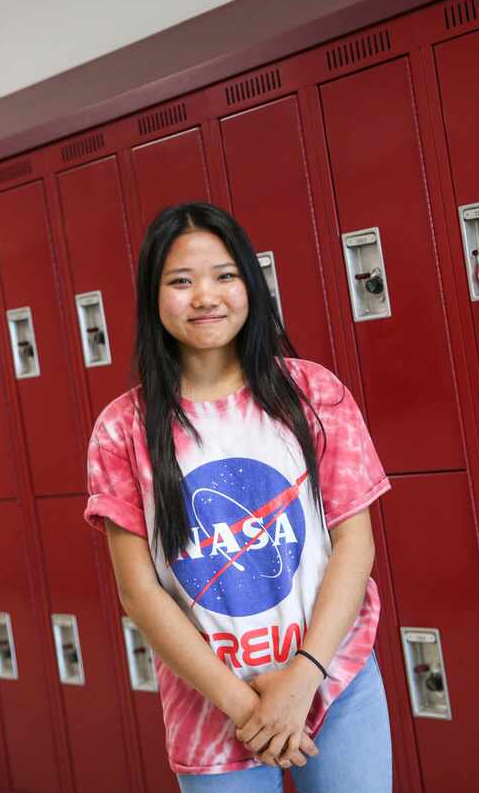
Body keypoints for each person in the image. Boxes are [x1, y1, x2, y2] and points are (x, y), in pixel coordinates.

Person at [84, 202, 393, 791]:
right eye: (181, 281)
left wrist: (303, 675)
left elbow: (354, 541)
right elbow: (139, 590)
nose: (205, 296)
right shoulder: (123, 429)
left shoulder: (312, 393)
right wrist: (245, 705)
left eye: (225, 275)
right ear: (153, 296)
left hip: (334, 674)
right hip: (211, 703)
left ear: (251, 284)